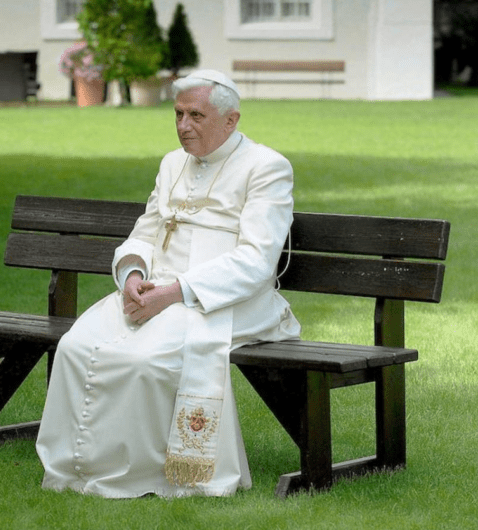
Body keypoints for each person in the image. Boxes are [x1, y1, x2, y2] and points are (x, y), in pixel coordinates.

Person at [35, 69, 301, 498]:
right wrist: (134, 275)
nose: (183, 125)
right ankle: (80, 467)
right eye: (178, 114)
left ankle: (153, 473)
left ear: (230, 120)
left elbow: (257, 261)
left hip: (225, 301)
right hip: (158, 291)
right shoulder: (172, 163)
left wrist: (176, 293)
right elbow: (145, 230)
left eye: (196, 115)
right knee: (75, 347)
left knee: (145, 360)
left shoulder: (266, 167)